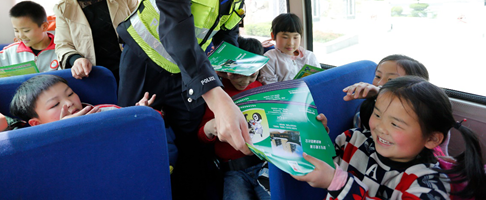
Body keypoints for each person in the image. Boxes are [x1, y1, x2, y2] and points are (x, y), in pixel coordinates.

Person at [116, 0, 313, 199]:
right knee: (131, 140)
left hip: (189, 74)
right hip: (144, 65)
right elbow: (174, 24)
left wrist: (241, 70)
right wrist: (214, 92)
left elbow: (228, 29)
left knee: (194, 150)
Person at [291, 76, 486, 199]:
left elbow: (334, 178)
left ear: (432, 139)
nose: (380, 128)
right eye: (377, 115)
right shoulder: (354, 140)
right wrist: (316, 138)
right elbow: (326, 162)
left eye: (395, 124)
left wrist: (337, 183)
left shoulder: (428, 185)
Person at [9, 74, 177, 171]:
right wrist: (63, 131)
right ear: (36, 124)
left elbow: (136, 136)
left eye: (70, 94)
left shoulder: (105, 112)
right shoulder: (36, 146)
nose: (69, 103)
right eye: (55, 104)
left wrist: (139, 114)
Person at [198, 36, 269, 200]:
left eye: (252, 75)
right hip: (233, 170)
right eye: (239, 75)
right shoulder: (218, 95)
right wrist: (211, 127)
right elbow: (201, 135)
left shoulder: (260, 88)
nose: (245, 81)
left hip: (263, 163)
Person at [53, 0, 138, 81]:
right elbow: (63, 45)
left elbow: (142, 24)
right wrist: (76, 60)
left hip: (133, 67)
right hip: (94, 74)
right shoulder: (63, 9)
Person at [0, 1, 59, 72]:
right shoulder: (11, 52)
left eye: (26, 31)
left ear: (44, 27)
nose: (20, 36)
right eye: (16, 31)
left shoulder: (62, 49)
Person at [258, 13, 320, 84]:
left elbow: (317, 80)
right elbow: (269, 86)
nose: (290, 43)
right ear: (273, 36)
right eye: (285, 37)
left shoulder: (309, 57)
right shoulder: (269, 58)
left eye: (295, 37)